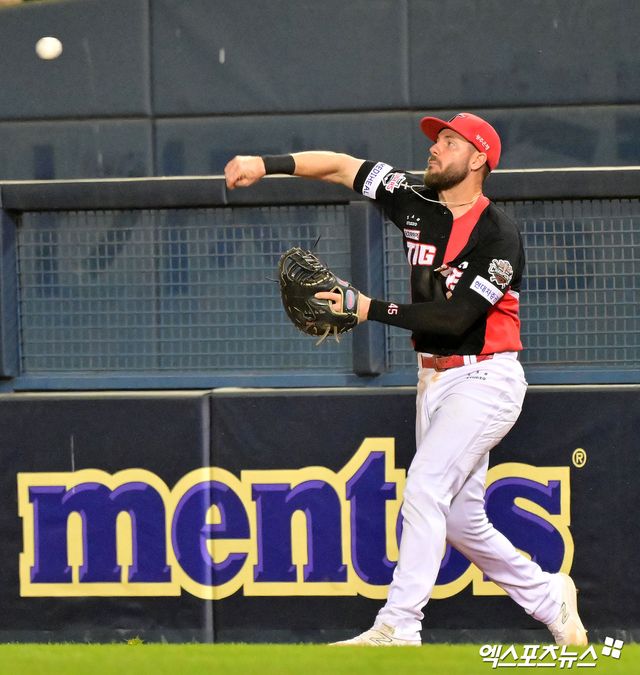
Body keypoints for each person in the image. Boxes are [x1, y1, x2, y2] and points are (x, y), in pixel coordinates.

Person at [224, 112, 588, 647]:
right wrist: (265, 164)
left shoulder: (498, 234)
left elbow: (455, 319)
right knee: (461, 521)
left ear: (479, 159)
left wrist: (367, 307)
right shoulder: (412, 199)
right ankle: (549, 597)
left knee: (424, 486)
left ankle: (399, 625)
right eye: (436, 140)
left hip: (485, 377)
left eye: (450, 141)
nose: (435, 148)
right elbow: (342, 166)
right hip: (433, 381)